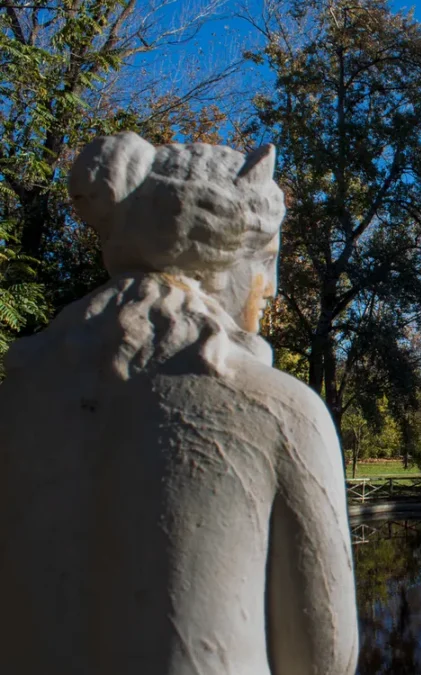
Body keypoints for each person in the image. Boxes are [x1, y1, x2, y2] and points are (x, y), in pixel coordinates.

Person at [0, 132, 359, 675]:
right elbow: (326, 655)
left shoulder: (16, 395)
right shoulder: (281, 410)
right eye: (269, 263)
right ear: (232, 264)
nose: (272, 288)